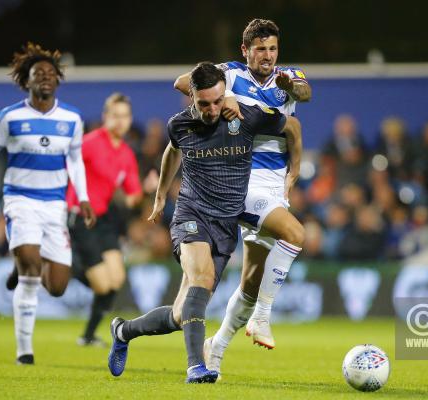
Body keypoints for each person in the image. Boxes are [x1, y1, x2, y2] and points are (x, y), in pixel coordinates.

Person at [107, 62, 302, 384]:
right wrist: (159, 197)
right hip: (191, 216)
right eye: (203, 103)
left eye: (217, 101)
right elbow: (172, 152)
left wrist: (293, 170)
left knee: (182, 314)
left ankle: (123, 330)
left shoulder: (246, 115)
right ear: (191, 97)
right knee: (202, 276)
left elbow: (292, 126)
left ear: (225, 94)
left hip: (225, 226)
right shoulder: (180, 124)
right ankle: (197, 366)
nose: (211, 109)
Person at [173, 18, 310, 373]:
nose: (267, 55)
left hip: (273, 185)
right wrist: (228, 94)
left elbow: (303, 101)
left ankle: (215, 348)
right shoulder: (230, 74)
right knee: (295, 234)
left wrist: (294, 169)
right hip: (242, 179)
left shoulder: (290, 76)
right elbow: (181, 82)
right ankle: (264, 316)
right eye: (260, 49)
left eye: (272, 49)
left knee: (250, 284)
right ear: (245, 50)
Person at [0, 43, 96, 365]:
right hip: (20, 199)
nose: (45, 78)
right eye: (38, 74)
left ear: (57, 79)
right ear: (27, 81)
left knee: (58, 286)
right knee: (32, 269)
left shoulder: (72, 119)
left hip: (55, 205)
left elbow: (75, 160)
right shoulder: (11, 117)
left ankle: (20, 271)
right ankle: (25, 351)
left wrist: (83, 197)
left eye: (50, 73)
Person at [66, 93, 142, 346]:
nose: (120, 122)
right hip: (80, 216)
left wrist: (149, 189)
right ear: (105, 117)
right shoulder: (89, 142)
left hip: (104, 219)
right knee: (102, 285)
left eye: (125, 116)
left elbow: (133, 197)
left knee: (115, 280)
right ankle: (64, 267)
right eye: (115, 116)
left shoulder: (127, 155)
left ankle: (88, 336)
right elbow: (65, 164)